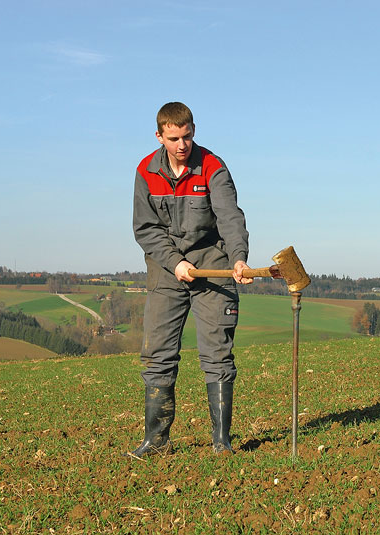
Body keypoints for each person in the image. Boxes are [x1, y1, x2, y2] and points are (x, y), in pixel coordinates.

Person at [127, 101, 252, 459]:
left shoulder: (213, 167)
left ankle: (221, 442)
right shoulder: (145, 171)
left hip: (214, 266)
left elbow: (230, 217)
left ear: (193, 130)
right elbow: (145, 228)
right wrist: (174, 262)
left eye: (187, 136)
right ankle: (156, 441)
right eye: (173, 138)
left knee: (217, 355)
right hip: (167, 273)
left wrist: (239, 257)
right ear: (159, 135)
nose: (181, 145)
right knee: (158, 355)